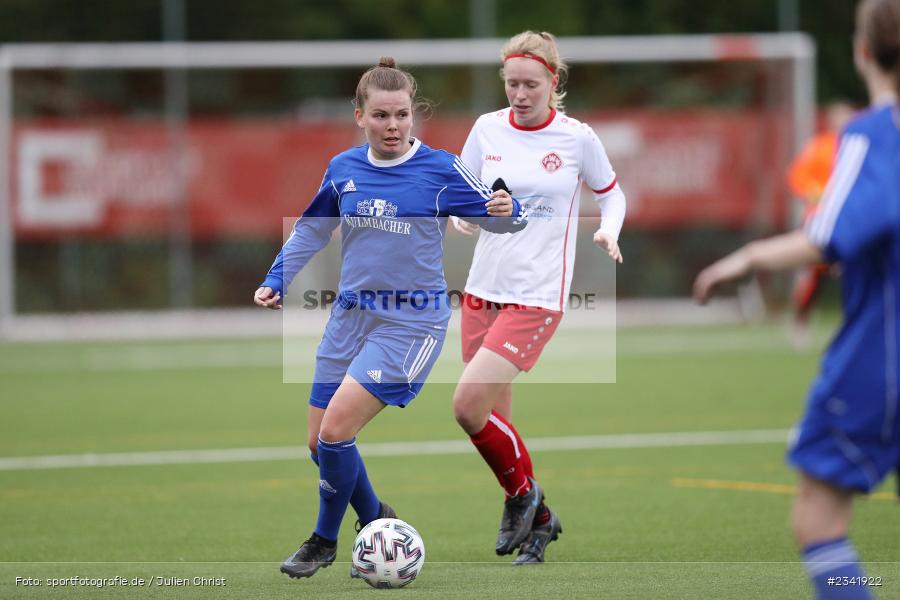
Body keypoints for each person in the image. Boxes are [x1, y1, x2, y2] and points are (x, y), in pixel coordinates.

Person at [253, 57, 527, 579]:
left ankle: (324, 540)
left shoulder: (441, 169)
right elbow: (312, 230)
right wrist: (277, 278)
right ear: (360, 116)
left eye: (402, 114)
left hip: (410, 325)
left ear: (413, 114)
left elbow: (502, 217)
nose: (394, 126)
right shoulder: (344, 169)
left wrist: (505, 210)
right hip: (350, 320)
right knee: (319, 444)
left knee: (335, 431)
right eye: (381, 116)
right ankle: (377, 518)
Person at [694, 1, 899, 597]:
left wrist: (749, 258)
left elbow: (828, 236)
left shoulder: (869, 135)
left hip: (883, 360)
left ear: (863, 52)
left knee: (818, 518)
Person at [449, 31, 626, 564]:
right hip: (483, 291)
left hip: (536, 295)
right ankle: (540, 520)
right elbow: (461, 199)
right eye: (511, 85)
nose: (520, 94)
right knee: (495, 419)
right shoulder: (487, 128)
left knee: (466, 407)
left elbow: (611, 194)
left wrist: (609, 229)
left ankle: (525, 497)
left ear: (554, 81)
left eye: (530, 84)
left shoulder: (577, 138)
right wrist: (468, 215)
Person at [786, 101, 856, 345]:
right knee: (815, 276)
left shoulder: (859, 145)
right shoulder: (819, 147)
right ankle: (800, 322)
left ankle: (857, 327)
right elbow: (797, 178)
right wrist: (818, 195)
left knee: (859, 273)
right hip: (821, 221)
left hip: (852, 222)